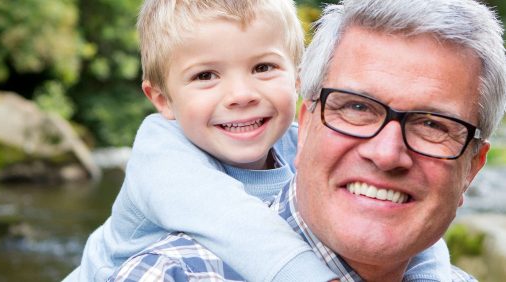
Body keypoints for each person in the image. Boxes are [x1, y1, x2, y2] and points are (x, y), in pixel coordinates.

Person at [108, 0, 506, 281]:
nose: (387, 155)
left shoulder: (280, 138)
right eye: (356, 108)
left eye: (432, 125)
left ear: (472, 167)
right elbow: (224, 216)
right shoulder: (171, 264)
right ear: (308, 119)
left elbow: (420, 237)